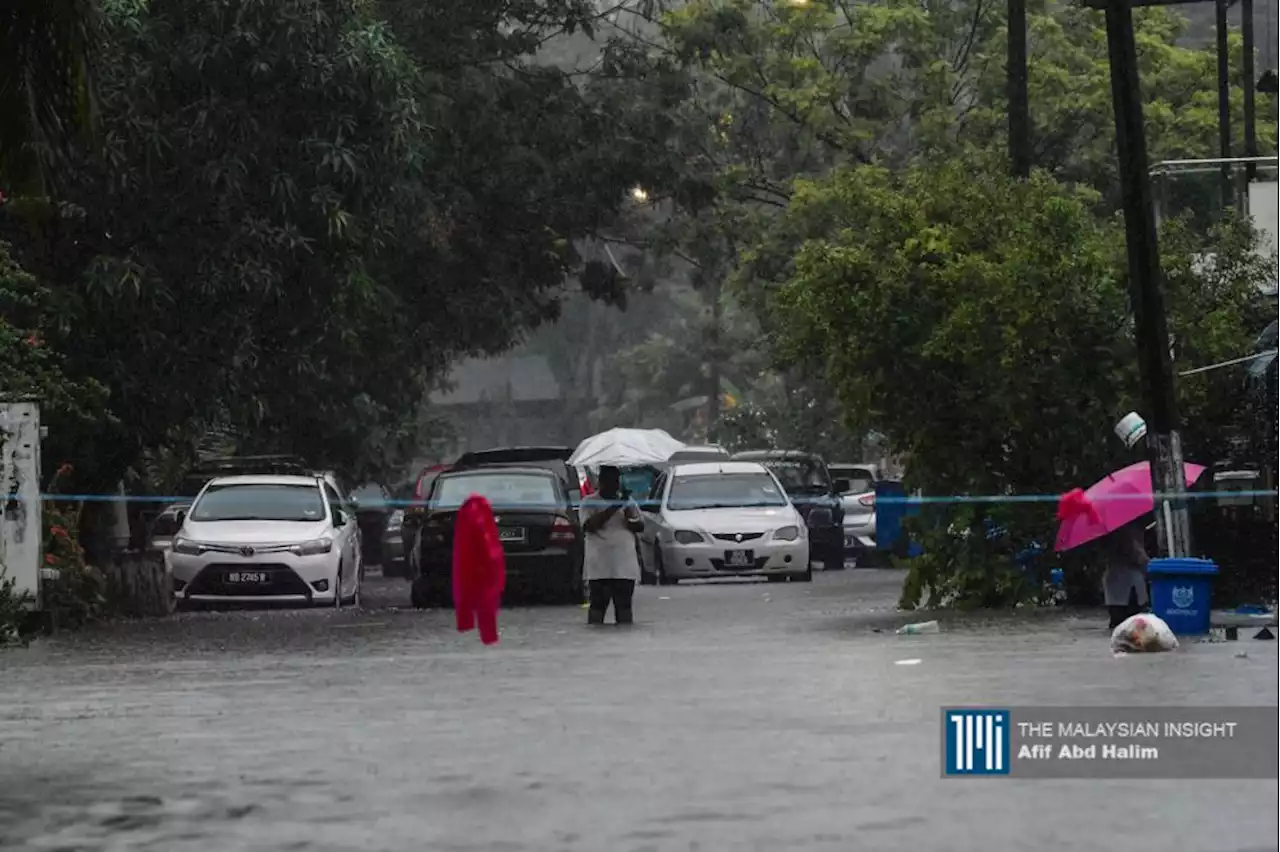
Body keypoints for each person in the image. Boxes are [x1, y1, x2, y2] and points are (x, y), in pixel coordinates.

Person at [580, 465, 644, 625]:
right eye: (608, 481)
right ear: (600, 482)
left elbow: (639, 526)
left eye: (615, 482)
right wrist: (615, 506)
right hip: (599, 565)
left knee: (624, 607)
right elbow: (589, 526)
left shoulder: (628, 502)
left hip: (624, 564)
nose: (612, 486)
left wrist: (628, 512)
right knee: (597, 606)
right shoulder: (589, 502)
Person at [1104, 520, 1151, 630]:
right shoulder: (1129, 534)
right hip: (1130, 586)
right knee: (1133, 626)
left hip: (1112, 584)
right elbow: (1140, 558)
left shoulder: (1108, 533)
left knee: (1116, 625)